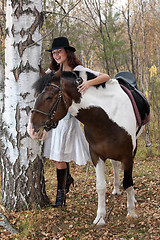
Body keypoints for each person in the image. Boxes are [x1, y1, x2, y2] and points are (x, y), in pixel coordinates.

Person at [28, 36, 110, 208]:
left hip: (68, 120)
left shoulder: (78, 70)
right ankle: (66, 183)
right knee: (59, 157)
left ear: (67, 52)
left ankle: (61, 195)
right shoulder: (52, 73)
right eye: (54, 53)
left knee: (60, 157)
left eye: (59, 51)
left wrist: (89, 83)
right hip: (54, 121)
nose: (56, 55)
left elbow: (105, 76)